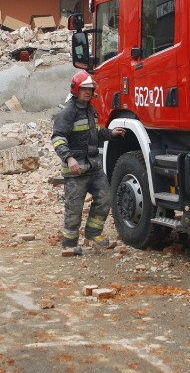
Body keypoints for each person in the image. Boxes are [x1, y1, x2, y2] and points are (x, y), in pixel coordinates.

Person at [51, 71, 126, 256]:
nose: (87, 92)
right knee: (74, 208)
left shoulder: (91, 110)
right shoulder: (68, 112)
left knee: (105, 198)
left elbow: (95, 134)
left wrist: (110, 133)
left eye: (90, 89)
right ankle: (69, 244)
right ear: (76, 90)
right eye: (84, 89)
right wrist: (69, 159)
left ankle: (93, 235)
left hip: (93, 167)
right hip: (76, 170)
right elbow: (58, 138)